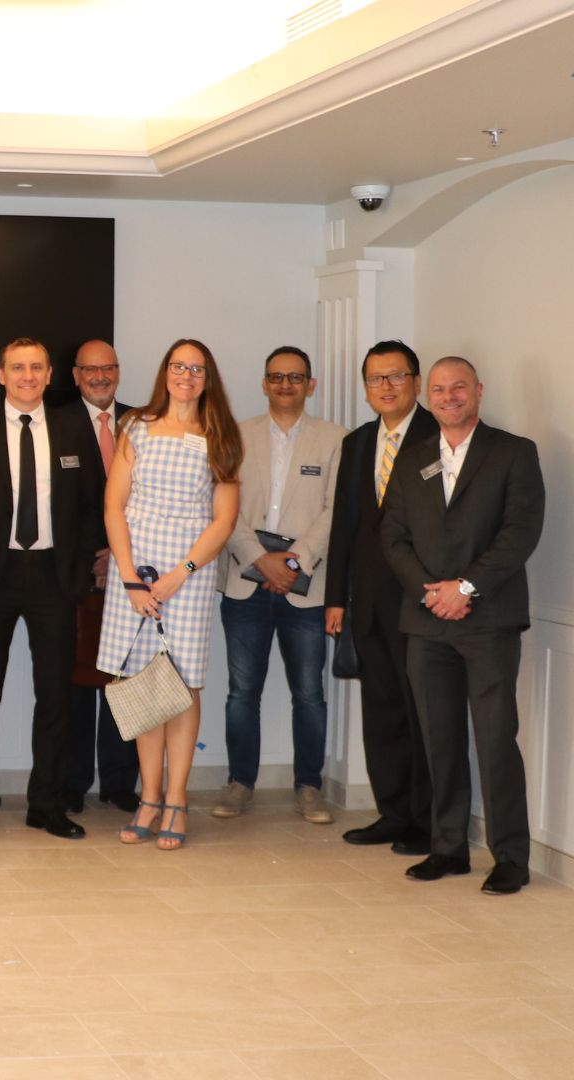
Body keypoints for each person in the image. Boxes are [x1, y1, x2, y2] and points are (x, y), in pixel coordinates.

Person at [381, 357, 544, 895]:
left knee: (497, 740)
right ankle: (448, 847)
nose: (448, 397)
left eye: (458, 388)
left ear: (478, 390)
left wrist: (465, 588)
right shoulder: (414, 459)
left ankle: (511, 857)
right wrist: (432, 593)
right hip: (427, 621)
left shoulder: (514, 452)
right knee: (440, 739)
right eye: (439, 389)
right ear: (428, 397)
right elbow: (393, 537)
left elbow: (520, 533)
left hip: (488, 620)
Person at [0, 338, 104, 844]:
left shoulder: (74, 425)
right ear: (0, 374)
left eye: (36, 367)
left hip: (54, 580)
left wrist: (77, 567)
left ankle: (46, 804)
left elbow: (92, 502)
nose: (27, 376)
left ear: (51, 374)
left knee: (55, 696)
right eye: (17, 368)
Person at [97, 340, 242, 850]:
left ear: (208, 378)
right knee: (141, 687)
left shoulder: (220, 434)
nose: (187, 375)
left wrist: (180, 573)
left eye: (197, 369)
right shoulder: (135, 425)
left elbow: (224, 519)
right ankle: (149, 798)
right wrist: (132, 577)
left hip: (189, 575)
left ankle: (177, 801)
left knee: (180, 690)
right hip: (133, 575)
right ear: (166, 372)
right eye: (179, 366)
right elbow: (114, 505)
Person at [214, 347, 346, 824]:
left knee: (309, 692)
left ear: (310, 384)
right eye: (276, 377)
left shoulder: (336, 440)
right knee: (240, 692)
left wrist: (295, 559)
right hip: (245, 584)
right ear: (264, 383)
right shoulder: (236, 436)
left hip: (306, 586)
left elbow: (337, 511)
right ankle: (239, 784)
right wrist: (257, 558)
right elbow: (221, 506)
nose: (285, 384)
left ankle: (309, 787)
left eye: (295, 377)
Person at [324, 341, 438, 855]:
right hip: (368, 602)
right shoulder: (358, 442)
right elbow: (344, 528)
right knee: (383, 711)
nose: (386, 387)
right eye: (375, 379)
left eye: (396, 376)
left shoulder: (441, 436)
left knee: (424, 714)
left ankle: (430, 820)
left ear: (415, 381)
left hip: (422, 601)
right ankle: (394, 813)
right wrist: (336, 598)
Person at [62, 340, 140, 814]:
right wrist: (91, 555)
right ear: (75, 375)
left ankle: (118, 781)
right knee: (75, 684)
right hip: (76, 576)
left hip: (131, 572)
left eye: (107, 367)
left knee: (125, 681)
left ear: (118, 371)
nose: (99, 376)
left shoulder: (141, 423)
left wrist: (122, 555)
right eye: (90, 369)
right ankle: (72, 782)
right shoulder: (56, 423)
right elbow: (52, 501)